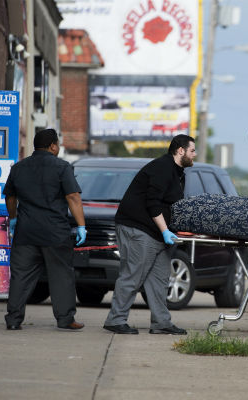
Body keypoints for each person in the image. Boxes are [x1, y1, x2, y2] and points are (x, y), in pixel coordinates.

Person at [103, 134, 196, 335]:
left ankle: (161, 323)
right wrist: (164, 231)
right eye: (192, 151)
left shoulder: (179, 173)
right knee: (133, 275)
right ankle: (115, 320)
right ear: (180, 150)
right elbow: (152, 202)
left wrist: (170, 231)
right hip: (138, 228)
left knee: (160, 278)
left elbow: (171, 204)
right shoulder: (162, 168)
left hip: (156, 232)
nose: (194, 154)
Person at [3, 128, 86, 331]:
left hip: (26, 231)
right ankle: (65, 319)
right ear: (53, 146)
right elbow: (73, 197)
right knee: (61, 276)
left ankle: (14, 320)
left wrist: (13, 218)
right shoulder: (62, 167)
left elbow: (10, 197)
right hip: (55, 232)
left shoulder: (19, 168)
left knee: (20, 276)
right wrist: (82, 225)